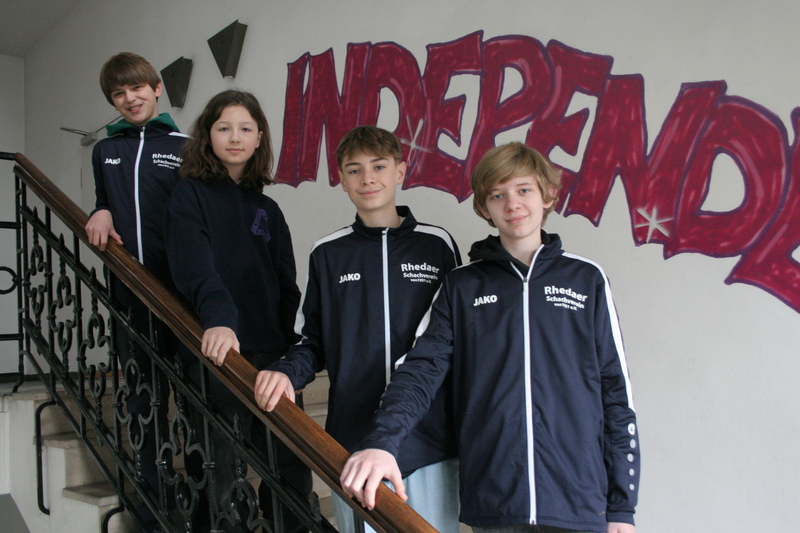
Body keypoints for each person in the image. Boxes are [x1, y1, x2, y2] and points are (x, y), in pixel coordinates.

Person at [341, 142, 640, 533]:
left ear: (548, 195)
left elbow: (616, 394)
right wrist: (382, 442)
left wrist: (622, 509)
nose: (512, 204)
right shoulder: (461, 286)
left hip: (579, 502)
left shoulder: (587, 280)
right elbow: (419, 372)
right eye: (497, 195)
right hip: (494, 500)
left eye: (523, 190)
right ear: (484, 208)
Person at [254, 125, 462, 533]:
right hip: (352, 439)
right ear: (342, 180)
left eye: (379, 166)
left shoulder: (437, 245)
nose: (367, 178)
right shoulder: (328, 253)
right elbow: (312, 341)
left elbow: (455, 340)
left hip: (429, 438)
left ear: (400, 171)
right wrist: (286, 371)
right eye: (354, 170)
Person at [165, 90, 311, 533]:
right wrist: (219, 320)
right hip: (218, 352)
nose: (235, 137)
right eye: (224, 128)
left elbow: (286, 284)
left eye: (245, 128)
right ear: (207, 135)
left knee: (290, 466)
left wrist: (294, 350)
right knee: (219, 467)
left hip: (274, 357)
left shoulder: (269, 208)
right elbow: (195, 267)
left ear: (259, 137)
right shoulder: (189, 194)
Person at [85, 52, 187, 533]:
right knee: (145, 398)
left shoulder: (187, 147)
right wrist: (101, 210)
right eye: (118, 93)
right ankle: (154, 500)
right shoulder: (105, 150)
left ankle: (202, 499)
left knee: (193, 396)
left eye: (137, 88)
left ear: (156, 88)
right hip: (129, 294)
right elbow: (105, 201)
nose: (129, 99)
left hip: (183, 296)